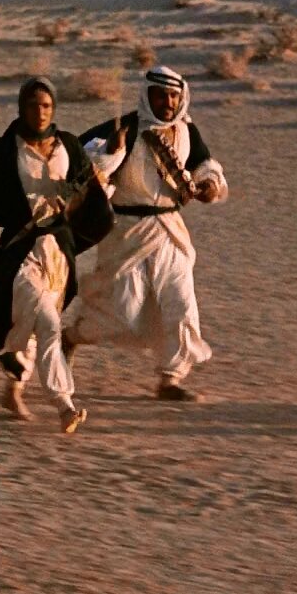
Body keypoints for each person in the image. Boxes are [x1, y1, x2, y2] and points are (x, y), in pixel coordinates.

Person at [0, 78, 110, 434]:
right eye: (33, 105)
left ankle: (13, 390)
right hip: (20, 252)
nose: (39, 112)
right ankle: (65, 405)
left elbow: (89, 189)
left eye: (46, 106)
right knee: (48, 322)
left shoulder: (69, 146)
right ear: (21, 107)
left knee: (35, 325)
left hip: (57, 255)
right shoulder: (3, 150)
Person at [69, 66, 228, 401]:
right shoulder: (125, 129)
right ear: (147, 96)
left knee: (180, 303)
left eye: (173, 96)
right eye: (160, 95)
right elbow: (80, 163)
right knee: (122, 311)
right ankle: (71, 337)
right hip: (125, 233)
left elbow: (205, 165)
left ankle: (170, 378)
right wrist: (110, 153)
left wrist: (209, 185)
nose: (167, 103)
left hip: (170, 230)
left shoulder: (186, 132)